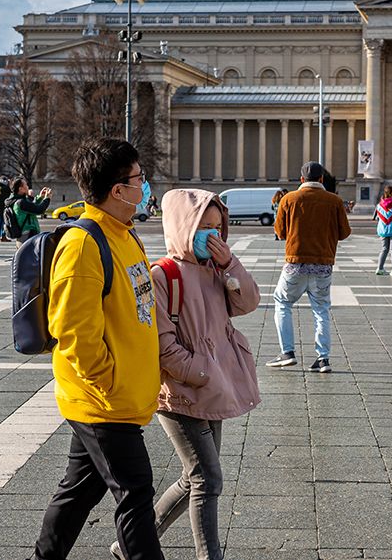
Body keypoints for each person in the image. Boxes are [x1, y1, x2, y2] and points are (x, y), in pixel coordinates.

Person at [27, 138, 165, 560]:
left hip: (122, 394)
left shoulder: (125, 235)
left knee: (78, 494)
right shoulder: (84, 244)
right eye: (139, 178)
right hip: (104, 401)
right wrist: (107, 381)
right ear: (118, 190)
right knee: (136, 493)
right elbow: (71, 328)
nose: (144, 185)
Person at [111, 188, 261, 560]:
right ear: (183, 226)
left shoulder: (214, 269)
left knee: (193, 477)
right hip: (180, 392)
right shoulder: (163, 274)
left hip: (212, 387)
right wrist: (201, 372)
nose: (212, 234)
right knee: (208, 479)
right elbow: (161, 345)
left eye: (217, 227)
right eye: (203, 227)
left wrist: (230, 265)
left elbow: (248, 303)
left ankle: (127, 545)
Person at [268, 161, 351, 373]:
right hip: (323, 265)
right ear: (322, 179)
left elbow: (279, 231)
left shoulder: (289, 199)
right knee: (321, 310)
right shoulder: (334, 201)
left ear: (302, 179)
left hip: (296, 263)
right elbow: (344, 233)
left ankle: (287, 352)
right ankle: (323, 359)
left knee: (282, 302)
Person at [9, 178, 51, 245]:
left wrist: (40, 197)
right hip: (27, 235)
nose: (27, 186)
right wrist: (47, 199)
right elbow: (39, 210)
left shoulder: (17, 199)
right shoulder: (21, 202)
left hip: (24, 235)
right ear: (20, 189)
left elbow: (32, 206)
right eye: (25, 185)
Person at [0, 176, 11, 241]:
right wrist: (8, 185)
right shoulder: (4, 187)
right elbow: (9, 193)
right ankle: (3, 236)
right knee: (5, 222)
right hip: (4, 207)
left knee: (1, 222)